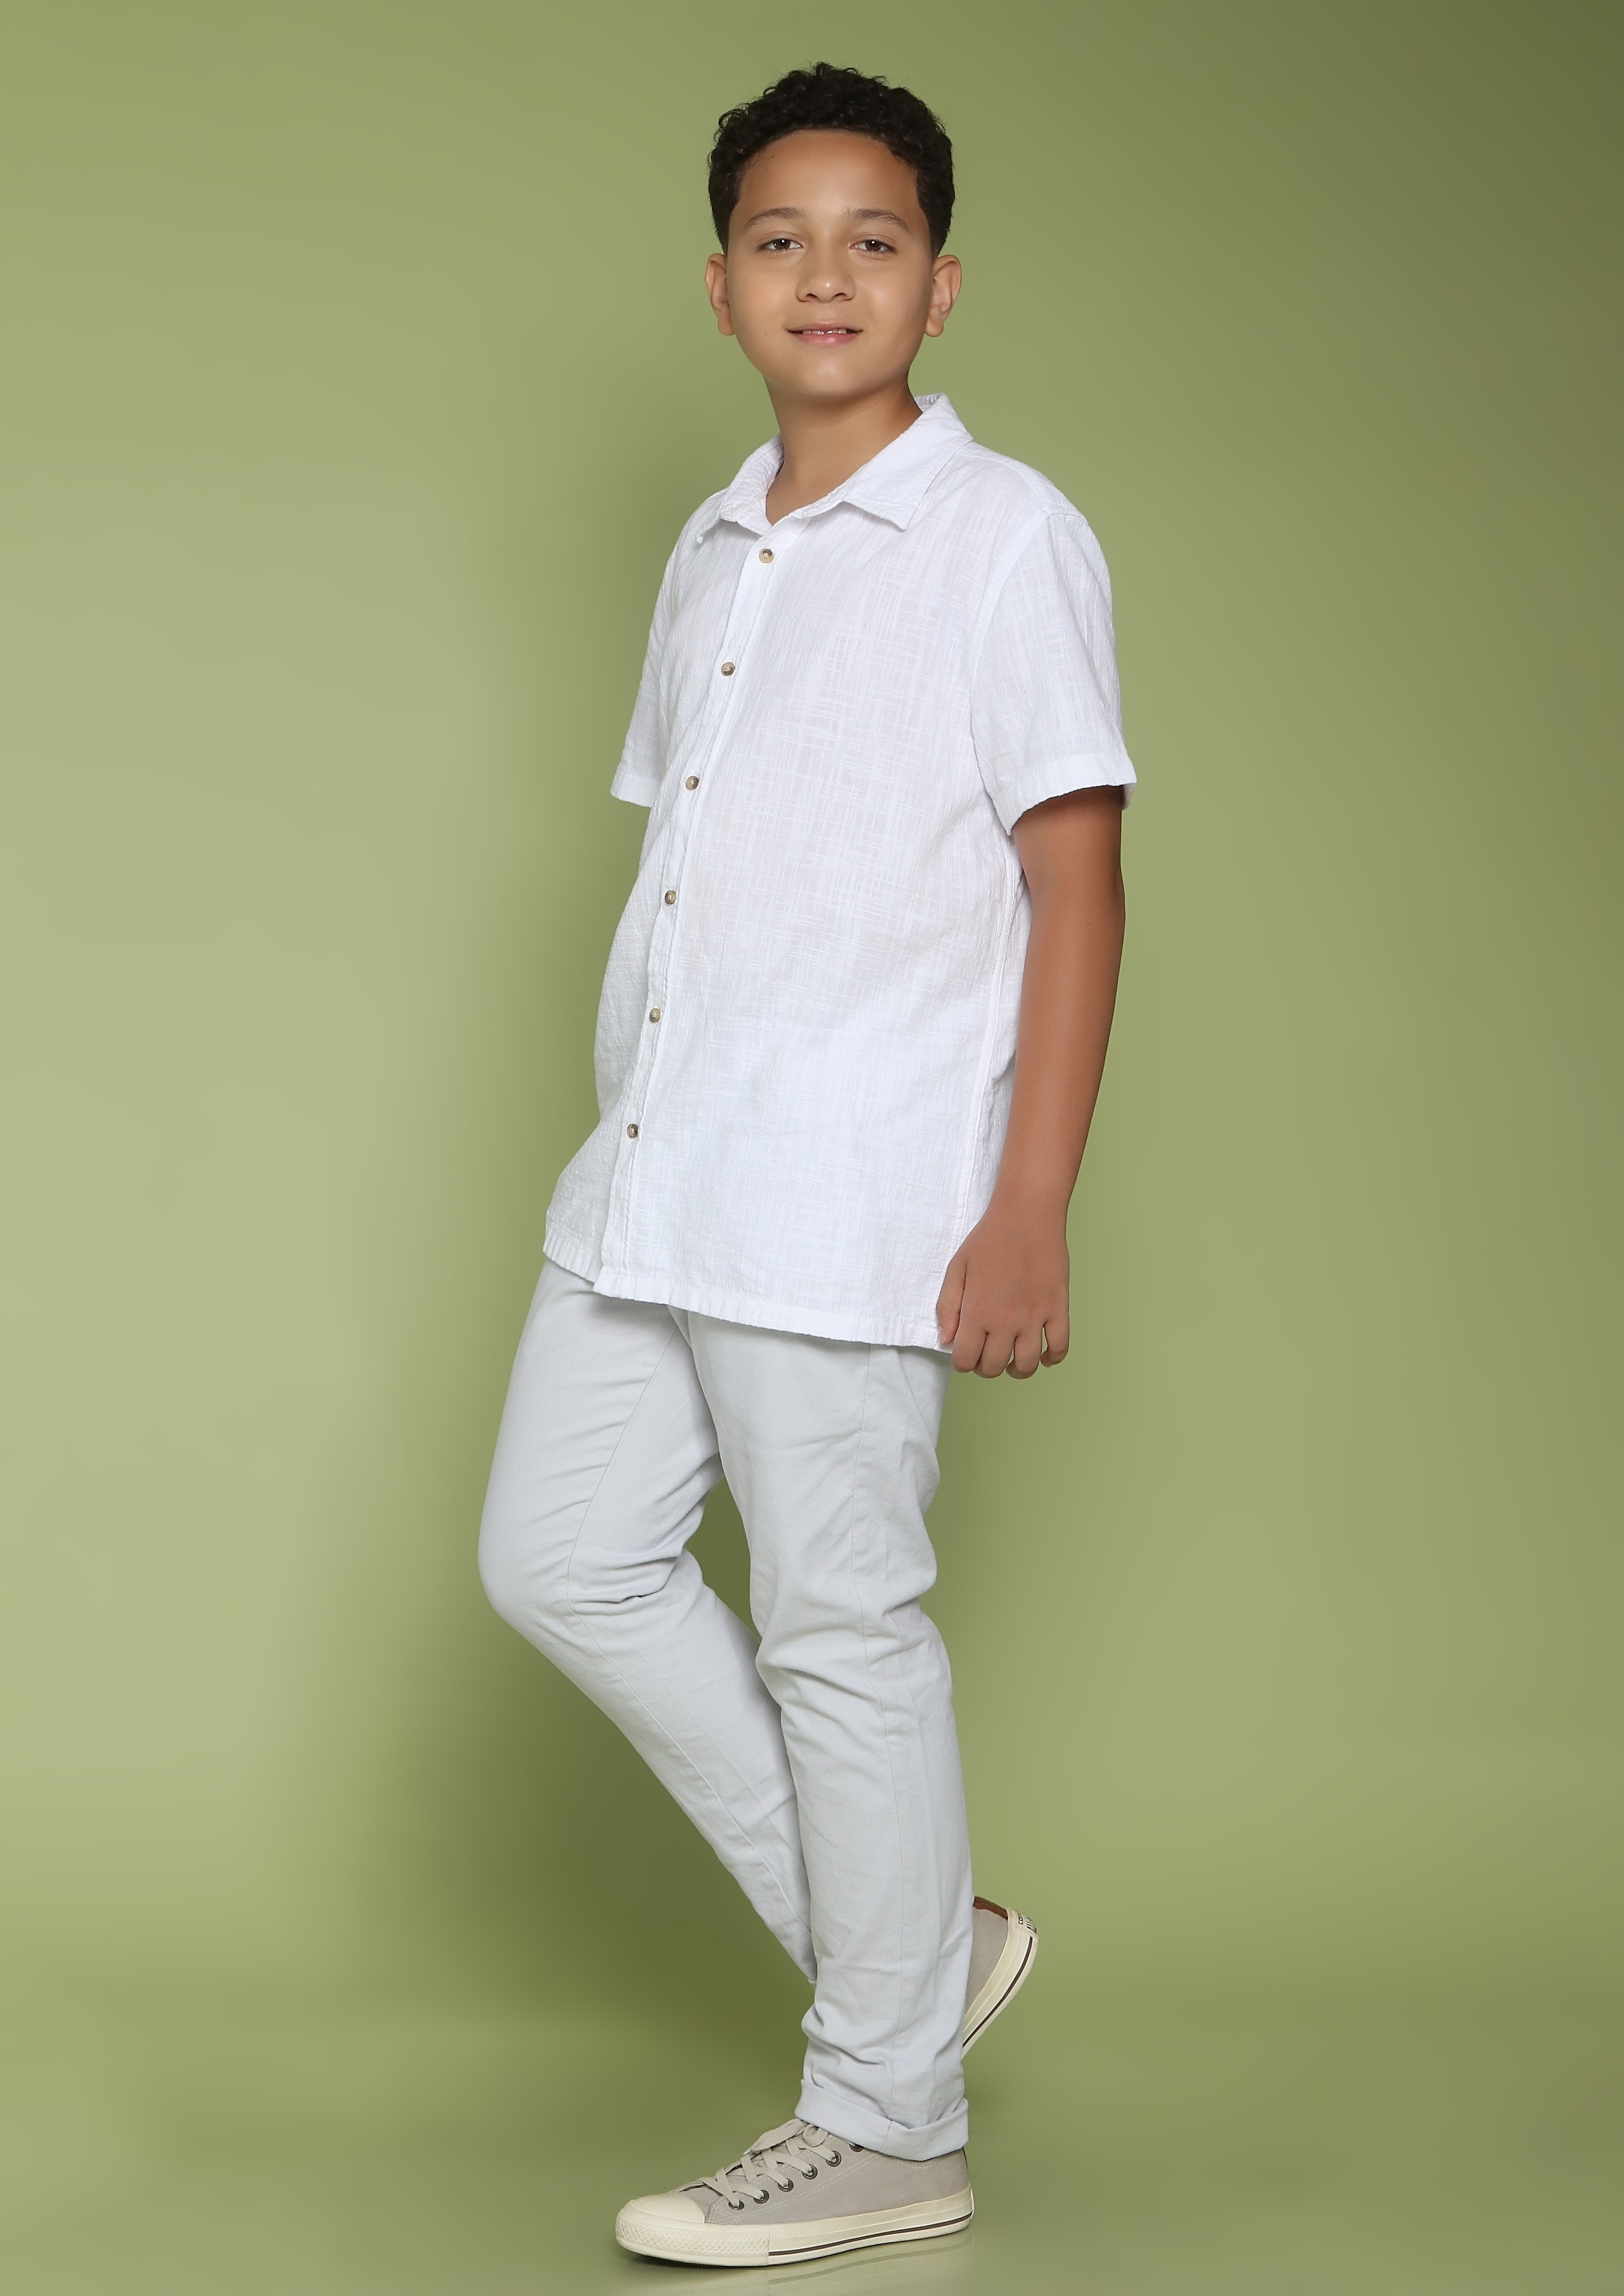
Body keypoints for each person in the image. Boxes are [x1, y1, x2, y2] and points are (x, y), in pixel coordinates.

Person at [478, 60, 1132, 2269]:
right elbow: (700, 865)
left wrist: (1026, 1204)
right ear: (719, 286)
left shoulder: (1005, 536)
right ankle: (917, 1959)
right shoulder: (711, 545)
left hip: (854, 1187)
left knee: (844, 1629)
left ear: (940, 286)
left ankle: (887, 2120)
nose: (824, 275)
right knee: (560, 1556)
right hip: (659, 1164)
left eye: (873, 240)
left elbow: (1076, 880)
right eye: (780, 238)